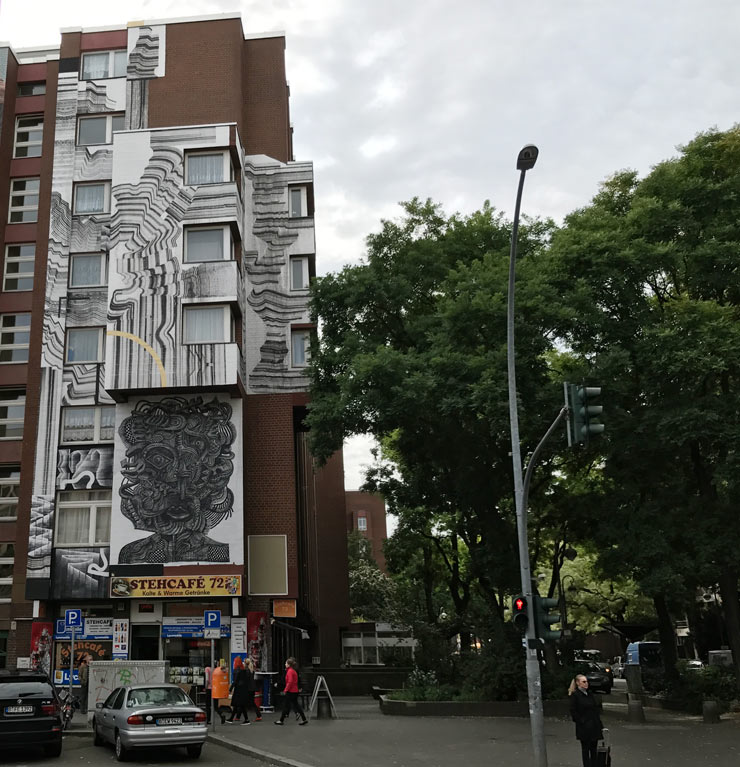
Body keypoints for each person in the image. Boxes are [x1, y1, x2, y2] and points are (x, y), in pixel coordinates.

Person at [568, 673, 603, 767]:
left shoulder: (589, 694)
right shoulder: (575, 695)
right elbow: (573, 711)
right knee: (585, 749)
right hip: (584, 727)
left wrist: (600, 725)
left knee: (594, 749)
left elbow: (595, 710)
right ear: (578, 683)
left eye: (587, 681)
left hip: (594, 725)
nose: (586, 683)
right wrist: (581, 721)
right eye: (583, 682)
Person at [274, 657, 307, 725]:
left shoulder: (289, 671)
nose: (285, 664)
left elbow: (290, 682)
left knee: (286, 705)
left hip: (291, 691)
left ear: (289, 664)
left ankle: (281, 720)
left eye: (286, 663)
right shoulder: (293, 671)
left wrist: (285, 690)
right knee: (296, 705)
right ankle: (304, 719)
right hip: (295, 690)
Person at [227, 657, 250, 724]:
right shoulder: (243, 670)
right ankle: (232, 718)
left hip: (238, 689)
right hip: (243, 689)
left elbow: (235, 681)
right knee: (238, 704)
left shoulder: (236, 670)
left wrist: (230, 689)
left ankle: (246, 719)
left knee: (238, 704)